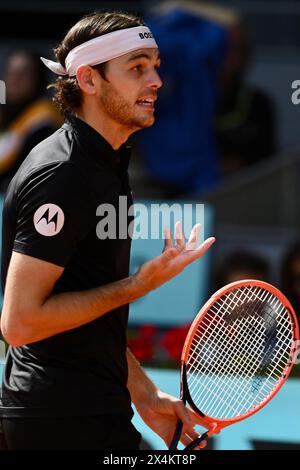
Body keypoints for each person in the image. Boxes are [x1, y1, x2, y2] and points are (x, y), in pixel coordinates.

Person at [0, 11, 215, 450]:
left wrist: (144, 393)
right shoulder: (63, 174)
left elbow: (86, 308)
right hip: (55, 422)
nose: (155, 80)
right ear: (89, 79)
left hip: (92, 410)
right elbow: (20, 323)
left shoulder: (107, 162)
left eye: (155, 66)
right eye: (137, 68)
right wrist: (136, 285)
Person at [0, 51, 62, 192]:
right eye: (11, 73)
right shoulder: (5, 114)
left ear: (37, 80)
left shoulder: (44, 123)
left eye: (23, 74)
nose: (15, 80)